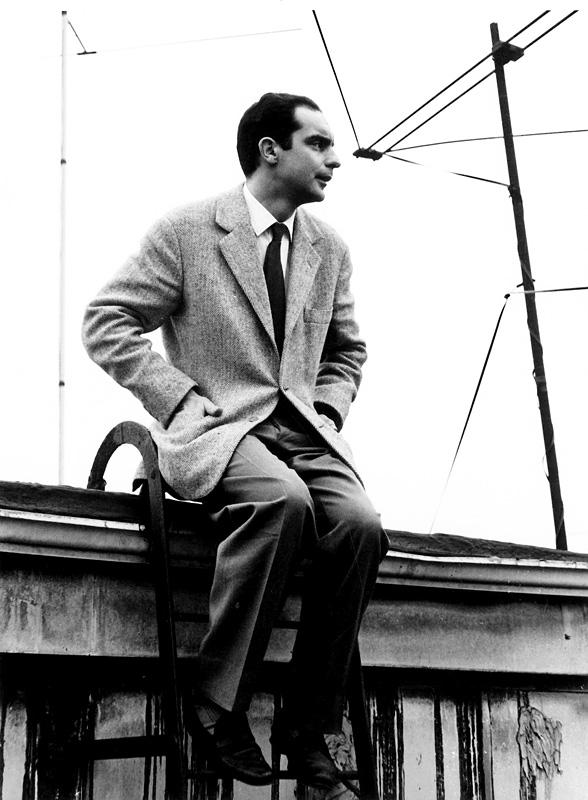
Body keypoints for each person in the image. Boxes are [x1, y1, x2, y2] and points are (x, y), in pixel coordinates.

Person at [82, 92, 389, 791]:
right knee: (283, 502)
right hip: (221, 428)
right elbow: (106, 321)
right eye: (318, 143)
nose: (335, 159)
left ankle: (306, 729)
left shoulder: (329, 248)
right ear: (269, 151)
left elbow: (347, 352)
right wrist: (178, 397)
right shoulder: (188, 231)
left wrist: (327, 409)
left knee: (361, 525)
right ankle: (217, 707)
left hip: (303, 430)